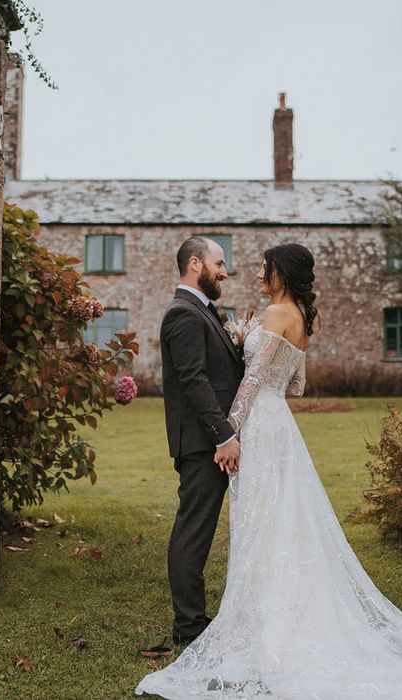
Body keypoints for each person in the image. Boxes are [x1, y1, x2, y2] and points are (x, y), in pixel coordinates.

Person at [137, 243, 402, 699]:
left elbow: (249, 383)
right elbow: (294, 385)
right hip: (278, 424)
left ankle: (256, 618)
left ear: (280, 273)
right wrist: (245, 388)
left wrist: (231, 431)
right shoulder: (297, 317)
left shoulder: (272, 314)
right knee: (281, 521)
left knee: (263, 523)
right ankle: (245, 616)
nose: (248, 272)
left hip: (256, 427)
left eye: (264, 268)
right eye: (223, 263)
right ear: (198, 264)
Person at [159, 236, 244, 646]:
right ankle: (189, 627)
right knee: (194, 530)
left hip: (213, 440)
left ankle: (194, 621)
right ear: (196, 263)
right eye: (219, 262)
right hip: (202, 443)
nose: (224, 271)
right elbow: (194, 382)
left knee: (200, 529)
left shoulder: (204, 311)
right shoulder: (183, 314)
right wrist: (223, 435)